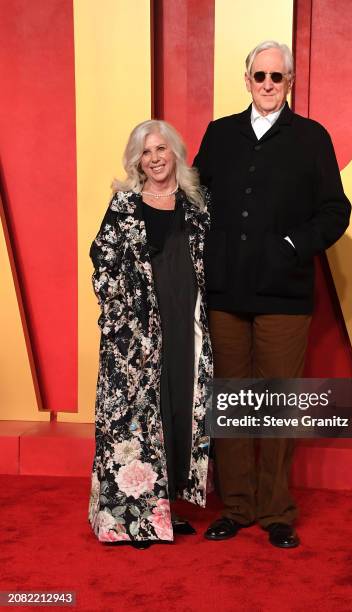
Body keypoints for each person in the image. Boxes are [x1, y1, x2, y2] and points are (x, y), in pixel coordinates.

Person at [193, 40, 351, 548]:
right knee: (232, 401)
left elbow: (334, 210)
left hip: (284, 292)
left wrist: (291, 245)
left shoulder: (311, 138)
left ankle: (276, 509)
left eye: (276, 77)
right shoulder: (220, 134)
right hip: (225, 292)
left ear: (290, 83)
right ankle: (237, 506)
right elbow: (194, 196)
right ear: (246, 79)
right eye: (259, 76)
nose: (266, 85)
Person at [88, 119, 212, 549]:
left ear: (175, 151)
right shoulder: (123, 205)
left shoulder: (197, 205)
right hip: (134, 335)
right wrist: (120, 318)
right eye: (146, 152)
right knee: (135, 419)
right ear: (137, 160)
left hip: (185, 325)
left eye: (161, 149)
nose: (155, 158)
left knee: (176, 409)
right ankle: (128, 521)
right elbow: (101, 261)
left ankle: (165, 511)